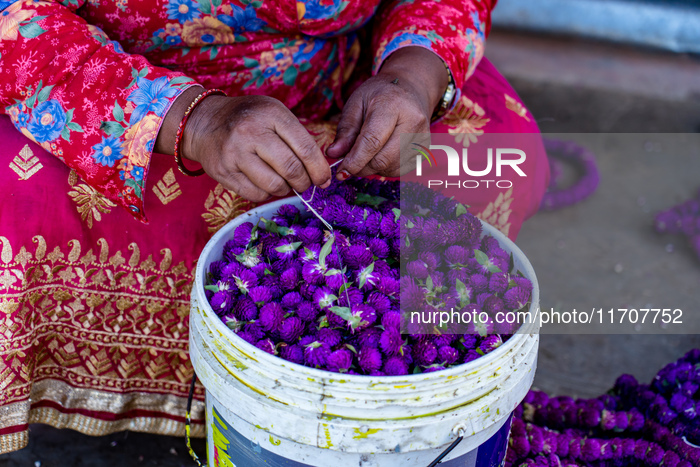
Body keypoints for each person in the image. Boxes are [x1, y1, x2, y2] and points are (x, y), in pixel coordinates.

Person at [0, 0, 549, 453]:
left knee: (498, 164)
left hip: (339, 90)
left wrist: (410, 79)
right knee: (15, 204)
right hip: (116, 96)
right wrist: (193, 119)